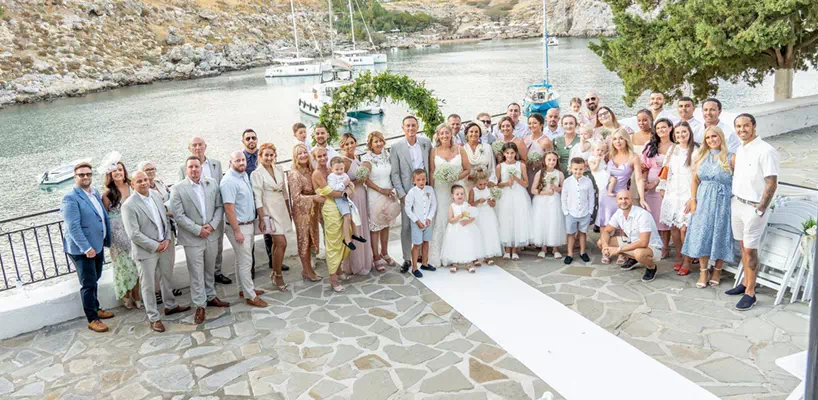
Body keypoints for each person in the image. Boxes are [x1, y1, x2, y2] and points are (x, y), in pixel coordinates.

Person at [121, 171, 190, 333]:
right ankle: (154, 317)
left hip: (165, 245)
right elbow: (134, 234)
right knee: (148, 285)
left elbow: (164, 219)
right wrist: (155, 245)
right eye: (139, 181)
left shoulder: (155, 195)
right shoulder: (128, 205)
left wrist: (166, 239)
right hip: (146, 251)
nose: (144, 183)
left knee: (167, 276)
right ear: (133, 184)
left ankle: (170, 305)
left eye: (145, 179)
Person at [726, 113, 779, 311]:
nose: (742, 130)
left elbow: (771, 183)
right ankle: (745, 283)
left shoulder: (766, 151)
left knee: (750, 250)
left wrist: (761, 209)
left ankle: (751, 293)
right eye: (738, 126)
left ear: (754, 126)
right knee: (742, 246)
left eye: (745, 126)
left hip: (754, 208)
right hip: (737, 203)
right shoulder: (740, 148)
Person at [170, 156, 230, 325]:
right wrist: (198, 230)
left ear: (201, 168)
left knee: (210, 269)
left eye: (197, 166)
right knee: (196, 273)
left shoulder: (212, 183)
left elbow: (219, 207)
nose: (194, 170)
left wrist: (211, 226)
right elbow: (179, 215)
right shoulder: (177, 189)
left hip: (211, 234)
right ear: (186, 169)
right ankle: (199, 305)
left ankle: (211, 296)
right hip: (192, 238)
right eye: (191, 167)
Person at [61, 162, 114, 333]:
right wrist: (86, 248)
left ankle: (96, 308)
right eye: (81, 175)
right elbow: (73, 227)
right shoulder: (70, 197)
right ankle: (92, 319)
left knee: (95, 277)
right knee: (88, 283)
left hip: (96, 245)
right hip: (83, 250)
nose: (85, 177)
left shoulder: (94, 192)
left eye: (88, 174)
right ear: (75, 177)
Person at [683, 126, 736, 289]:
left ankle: (717, 270)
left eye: (714, 136)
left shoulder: (731, 157)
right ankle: (703, 271)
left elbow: (739, 180)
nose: (711, 140)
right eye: (708, 138)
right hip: (703, 199)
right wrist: (693, 199)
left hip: (723, 200)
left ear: (721, 137)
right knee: (702, 233)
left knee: (721, 233)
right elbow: (694, 180)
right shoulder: (700, 156)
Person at [179, 137, 231, 285]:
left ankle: (217, 272)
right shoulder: (184, 168)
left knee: (218, 243)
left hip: (215, 213)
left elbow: (221, 188)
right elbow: (182, 192)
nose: (197, 147)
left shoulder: (216, 164)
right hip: (196, 216)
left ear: (205, 146)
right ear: (190, 148)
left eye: (200, 144)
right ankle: (202, 277)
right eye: (194, 145)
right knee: (199, 249)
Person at [221, 151, 267, 307]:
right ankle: (250, 295)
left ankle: (244, 289)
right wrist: (237, 231)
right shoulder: (228, 181)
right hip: (239, 227)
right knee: (246, 261)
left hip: (248, 224)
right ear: (230, 162)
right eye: (237, 160)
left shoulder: (243, 176)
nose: (241, 163)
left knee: (241, 260)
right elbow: (229, 208)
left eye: (243, 160)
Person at [597, 129, 649, 264]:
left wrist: (642, 198)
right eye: (614, 139)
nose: (617, 141)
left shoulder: (633, 157)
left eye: (620, 138)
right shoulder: (609, 156)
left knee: (623, 225)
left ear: (626, 140)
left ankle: (622, 251)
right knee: (605, 224)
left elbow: (638, 178)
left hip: (622, 194)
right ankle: (606, 251)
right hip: (606, 195)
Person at [390, 116, 433, 273]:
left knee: (425, 221)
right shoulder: (396, 147)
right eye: (407, 126)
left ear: (417, 126)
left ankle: (422, 256)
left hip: (424, 190)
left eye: (413, 125)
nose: (411, 128)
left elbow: (430, 165)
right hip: (407, 193)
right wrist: (402, 194)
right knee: (407, 226)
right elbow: (395, 173)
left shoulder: (426, 143)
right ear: (403, 128)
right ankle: (407, 258)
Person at [251, 142, 292, 292]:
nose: (268, 158)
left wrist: (289, 210)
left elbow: (285, 192)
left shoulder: (279, 168)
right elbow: (257, 197)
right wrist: (262, 218)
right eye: (266, 155)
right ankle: (278, 275)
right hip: (269, 210)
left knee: (277, 243)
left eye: (271, 155)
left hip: (281, 207)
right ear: (260, 156)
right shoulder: (256, 174)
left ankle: (275, 274)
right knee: (282, 243)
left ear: (274, 156)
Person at [658, 121, 698, 275]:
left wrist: (694, 197)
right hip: (673, 192)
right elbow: (666, 170)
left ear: (689, 133)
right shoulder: (672, 149)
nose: (681, 135)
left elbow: (699, 175)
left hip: (688, 193)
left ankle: (688, 260)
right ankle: (679, 257)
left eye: (684, 132)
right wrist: (662, 187)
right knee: (674, 227)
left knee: (684, 229)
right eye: (678, 132)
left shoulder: (696, 150)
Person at [597, 190, 664, 281]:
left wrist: (618, 249)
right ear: (617, 201)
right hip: (632, 242)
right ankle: (633, 259)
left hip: (651, 247)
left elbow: (643, 242)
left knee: (639, 253)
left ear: (632, 201)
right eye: (620, 199)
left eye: (626, 198)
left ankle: (651, 267)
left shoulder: (642, 215)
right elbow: (606, 231)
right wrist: (605, 246)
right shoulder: (619, 213)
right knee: (601, 242)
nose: (623, 201)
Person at [429, 123, 471, 268]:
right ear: (438, 136)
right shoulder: (434, 151)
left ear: (451, 134)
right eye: (442, 133)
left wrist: (455, 176)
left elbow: (468, 169)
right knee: (442, 219)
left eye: (447, 133)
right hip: (440, 190)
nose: (445, 136)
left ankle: (458, 254)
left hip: (456, 188)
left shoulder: (460, 149)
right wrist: (431, 193)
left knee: (458, 218)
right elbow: (431, 173)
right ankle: (438, 256)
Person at [101, 158, 140, 309]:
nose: (117, 173)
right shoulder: (108, 195)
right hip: (118, 236)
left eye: (120, 169)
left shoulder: (132, 186)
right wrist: (118, 238)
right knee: (124, 268)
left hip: (135, 230)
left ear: (124, 172)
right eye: (114, 171)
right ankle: (126, 295)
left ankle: (137, 296)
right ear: (109, 175)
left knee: (137, 266)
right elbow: (107, 218)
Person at [312, 147, 352, 291]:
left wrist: (348, 189)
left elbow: (349, 183)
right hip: (331, 210)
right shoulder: (317, 173)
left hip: (342, 207)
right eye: (319, 156)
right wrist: (345, 191)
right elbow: (331, 193)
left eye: (324, 155)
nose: (323, 158)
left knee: (345, 238)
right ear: (315, 158)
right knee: (334, 242)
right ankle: (333, 278)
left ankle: (339, 269)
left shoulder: (331, 170)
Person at [361, 131, 397, 272]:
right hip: (375, 195)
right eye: (376, 141)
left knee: (386, 224)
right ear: (370, 144)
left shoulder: (387, 156)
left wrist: (392, 189)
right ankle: (376, 256)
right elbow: (365, 179)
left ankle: (385, 253)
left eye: (381, 140)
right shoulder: (367, 159)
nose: (379, 143)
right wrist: (381, 190)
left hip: (388, 193)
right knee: (376, 227)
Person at [339, 133, 375, 275]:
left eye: (351, 143)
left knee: (362, 227)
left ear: (356, 143)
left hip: (362, 194)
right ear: (342, 146)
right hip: (353, 196)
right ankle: (356, 264)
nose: (350, 146)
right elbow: (341, 184)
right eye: (346, 144)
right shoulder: (344, 161)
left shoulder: (356, 158)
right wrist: (358, 181)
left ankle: (366, 260)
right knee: (356, 229)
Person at [287, 143, 323, 282]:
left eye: (304, 153)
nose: (302, 155)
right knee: (304, 241)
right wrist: (314, 197)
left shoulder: (311, 170)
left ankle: (309, 269)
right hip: (302, 212)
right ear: (295, 157)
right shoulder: (294, 174)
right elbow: (296, 198)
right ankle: (307, 271)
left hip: (313, 210)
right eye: (299, 154)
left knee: (312, 239)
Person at [642, 118, 675, 255]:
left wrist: (656, 183)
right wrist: (644, 182)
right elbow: (644, 166)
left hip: (668, 184)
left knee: (664, 216)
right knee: (652, 215)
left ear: (670, 128)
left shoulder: (676, 146)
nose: (661, 130)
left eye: (664, 127)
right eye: (658, 128)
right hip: (650, 186)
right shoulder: (650, 146)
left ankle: (665, 246)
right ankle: (653, 243)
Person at [496, 142, 531, 260]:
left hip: (518, 195)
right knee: (506, 220)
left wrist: (516, 179)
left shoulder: (521, 165)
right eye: (507, 153)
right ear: (504, 154)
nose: (510, 155)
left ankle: (515, 249)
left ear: (516, 153)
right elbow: (496, 184)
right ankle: (507, 248)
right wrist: (506, 183)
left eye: (512, 153)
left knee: (517, 219)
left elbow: (526, 183)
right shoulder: (500, 166)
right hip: (505, 195)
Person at [530, 151, 565, 259]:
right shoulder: (539, 173)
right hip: (541, 201)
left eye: (554, 160)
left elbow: (564, 189)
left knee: (554, 221)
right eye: (549, 159)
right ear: (544, 161)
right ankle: (543, 247)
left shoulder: (559, 173)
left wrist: (556, 188)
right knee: (543, 221)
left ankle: (555, 247)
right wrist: (545, 192)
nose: (551, 162)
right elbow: (533, 190)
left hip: (554, 201)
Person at [561, 157, 595, 265]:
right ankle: (569, 254)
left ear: (584, 169)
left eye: (580, 169)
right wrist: (566, 211)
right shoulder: (567, 182)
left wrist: (590, 212)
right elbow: (564, 197)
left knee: (583, 233)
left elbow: (591, 197)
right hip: (571, 212)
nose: (578, 172)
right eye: (575, 169)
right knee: (570, 234)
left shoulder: (588, 181)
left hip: (584, 213)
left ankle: (582, 252)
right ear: (571, 168)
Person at [442, 185, 482, 273]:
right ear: (452, 196)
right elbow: (450, 220)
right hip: (455, 229)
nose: (460, 196)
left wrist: (467, 221)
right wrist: (459, 216)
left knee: (466, 244)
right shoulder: (452, 206)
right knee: (456, 244)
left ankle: (468, 263)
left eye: (462, 194)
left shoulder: (467, 205)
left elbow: (473, 216)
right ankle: (455, 263)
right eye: (457, 194)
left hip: (466, 228)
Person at [405, 169, 437, 278]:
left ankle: (425, 263)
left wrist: (429, 218)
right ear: (414, 181)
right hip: (417, 222)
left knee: (426, 242)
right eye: (418, 180)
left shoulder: (430, 190)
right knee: (417, 244)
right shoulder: (412, 192)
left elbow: (433, 205)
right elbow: (408, 209)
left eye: (423, 179)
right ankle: (414, 267)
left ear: (426, 179)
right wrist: (417, 221)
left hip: (427, 222)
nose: (421, 182)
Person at [327, 156, 364, 250]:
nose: (339, 171)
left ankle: (356, 234)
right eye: (337, 169)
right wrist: (344, 184)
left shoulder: (344, 175)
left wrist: (350, 185)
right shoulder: (332, 176)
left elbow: (350, 184)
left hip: (347, 197)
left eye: (341, 169)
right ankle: (347, 240)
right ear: (332, 169)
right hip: (339, 199)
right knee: (347, 217)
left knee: (353, 214)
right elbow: (333, 187)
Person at [469, 169, 503, 265]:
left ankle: (489, 255)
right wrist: (478, 201)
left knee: (489, 234)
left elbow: (493, 204)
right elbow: (470, 204)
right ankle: (475, 257)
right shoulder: (473, 191)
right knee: (477, 234)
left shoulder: (489, 190)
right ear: (475, 183)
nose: (483, 186)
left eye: (484, 184)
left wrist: (489, 201)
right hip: (477, 215)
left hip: (488, 215)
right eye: (480, 184)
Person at [463, 122, 497, 193]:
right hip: (469, 184)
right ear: (466, 134)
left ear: (480, 134)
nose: (474, 134)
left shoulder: (487, 147)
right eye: (471, 132)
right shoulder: (462, 149)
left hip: (485, 184)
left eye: (476, 132)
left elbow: (492, 167)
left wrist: (491, 181)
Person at [526, 113, 554, 192]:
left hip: (540, 172)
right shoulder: (526, 139)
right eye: (530, 123)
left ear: (541, 125)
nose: (532, 125)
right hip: (527, 171)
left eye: (535, 123)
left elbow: (551, 159)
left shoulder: (546, 141)